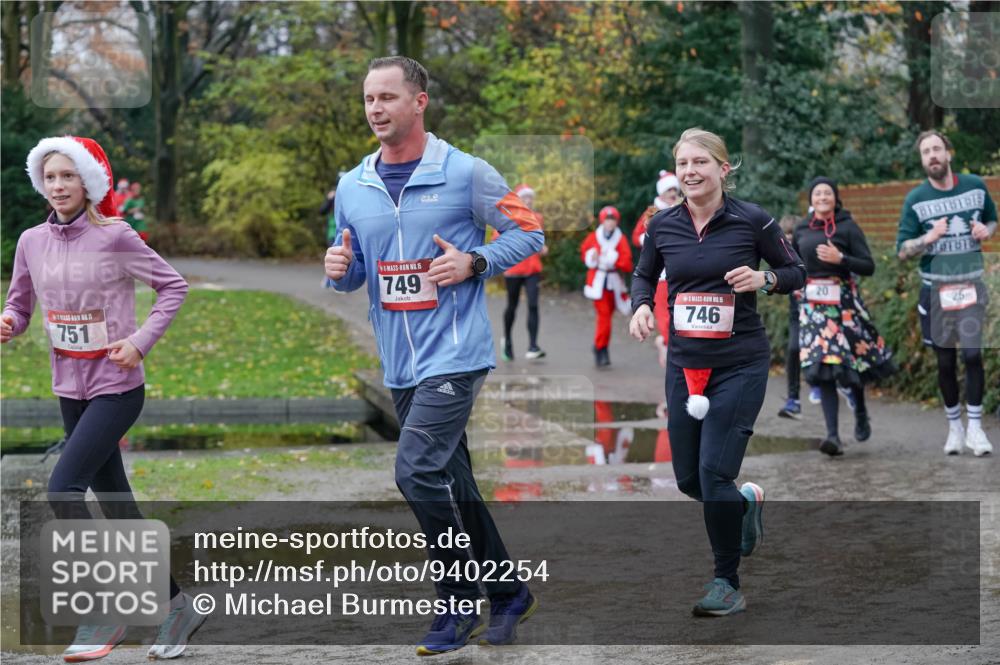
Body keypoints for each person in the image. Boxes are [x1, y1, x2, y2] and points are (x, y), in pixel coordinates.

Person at [323, 56, 543, 655]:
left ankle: (455, 599)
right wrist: (339, 270)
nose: (375, 109)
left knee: (414, 469)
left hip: (455, 353)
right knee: (453, 480)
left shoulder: (466, 172)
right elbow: (352, 268)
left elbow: (530, 232)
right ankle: (508, 593)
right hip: (400, 361)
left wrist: (476, 261)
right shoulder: (353, 186)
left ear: (419, 102)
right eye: (369, 98)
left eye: (388, 97)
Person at [1, 136, 198, 660]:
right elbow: (19, 306)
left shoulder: (115, 236)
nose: (59, 186)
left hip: (116, 387)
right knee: (116, 503)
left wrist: (139, 342)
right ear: (41, 183)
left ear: (87, 182)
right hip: (70, 389)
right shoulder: (30, 242)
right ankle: (177, 608)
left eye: (68, 176)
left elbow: (173, 287)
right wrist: (9, 322)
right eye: (50, 177)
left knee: (63, 489)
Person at [629, 128, 805, 617]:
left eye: (701, 162)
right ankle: (745, 504)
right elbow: (644, 274)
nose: (691, 171)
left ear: (723, 169)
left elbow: (796, 272)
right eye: (684, 163)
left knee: (713, 473)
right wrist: (642, 306)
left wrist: (763, 278)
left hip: (740, 364)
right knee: (690, 480)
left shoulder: (753, 221)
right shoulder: (662, 225)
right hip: (685, 366)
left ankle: (726, 581)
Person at [897, 130, 998, 456]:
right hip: (936, 291)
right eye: (926, 152)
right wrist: (928, 238)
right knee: (944, 361)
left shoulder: (975, 186)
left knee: (972, 354)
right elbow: (902, 251)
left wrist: (987, 230)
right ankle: (955, 428)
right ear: (923, 160)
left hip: (970, 286)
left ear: (948, 153)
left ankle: (976, 428)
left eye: (937, 149)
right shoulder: (916, 200)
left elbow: (992, 221)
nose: (933, 156)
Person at [794, 177, 894, 455]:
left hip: (843, 305)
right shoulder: (802, 228)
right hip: (813, 308)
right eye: (817, 193)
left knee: (849, 367)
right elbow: (792, 262)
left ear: (836, 199)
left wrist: (842, 260)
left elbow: (869, 266)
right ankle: (833, 436)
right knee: (824, 369)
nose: (823, 197)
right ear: (811, 200)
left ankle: (860, 410)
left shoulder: (848, 228)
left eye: (828, 193)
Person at [632, 170, 681, 368]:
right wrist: (655, 240)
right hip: (660, 275)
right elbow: (636, 237)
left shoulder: (684, 208)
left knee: (679, 319)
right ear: (661, 192)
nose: (672, 193)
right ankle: (667, 345)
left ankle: (668, 347)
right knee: (666, 319)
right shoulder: (652, 211)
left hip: (679, 273)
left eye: (675, 189)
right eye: (668, 189)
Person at [498, 183, 548, 361]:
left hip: (532, 269)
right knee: (512, 306)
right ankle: (507, 340)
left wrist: (542, 247)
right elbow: (497, 241)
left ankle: (533, 346)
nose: (529, 200)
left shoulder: (538, 218)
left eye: (531, 197)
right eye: (525, 197)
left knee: (533, 305)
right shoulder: (507, 218)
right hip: (514, 269)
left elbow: (539, 240)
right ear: (519, 199)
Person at [581, 205, 633, 367]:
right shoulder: (593, 237)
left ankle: (600, 347)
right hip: (598, 283)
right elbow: (584, 254)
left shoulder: (621, 239)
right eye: (607, 220)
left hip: (614, 283)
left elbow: (627, 264)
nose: (610, 223)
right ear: (602, 221)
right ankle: (600, 349)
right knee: (604, 318)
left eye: (613, 220)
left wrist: (614, 259)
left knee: (607, 318)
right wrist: (592, 256)